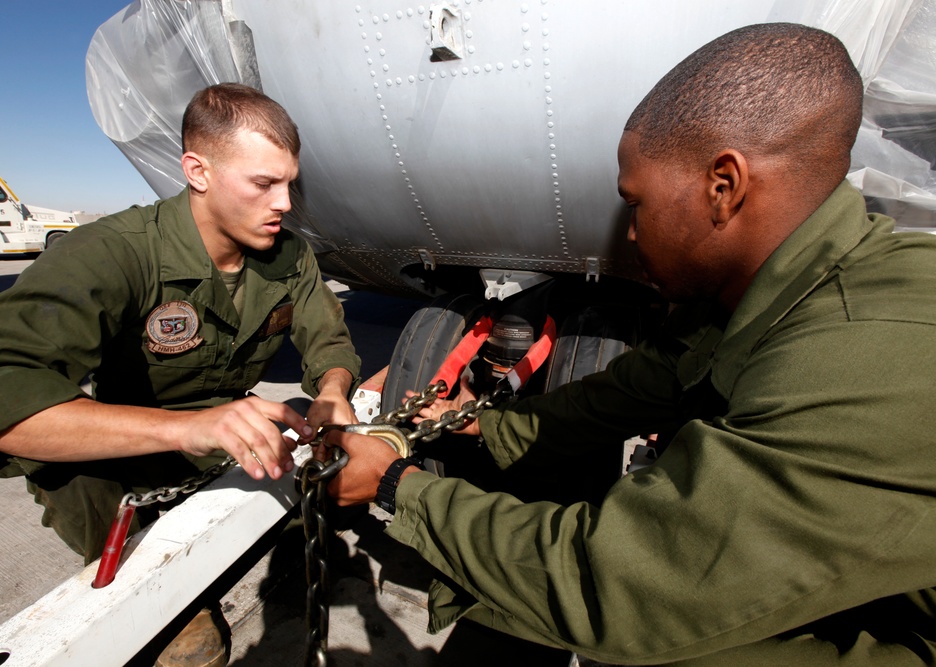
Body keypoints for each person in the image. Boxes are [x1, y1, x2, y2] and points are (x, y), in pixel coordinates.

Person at [322, 23, 936, 665]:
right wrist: (488, 426)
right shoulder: (779, 291)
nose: (632, 235)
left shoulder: (857, 354)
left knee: (668, 646)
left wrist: (397, 487)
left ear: (723, 187)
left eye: (634, 204)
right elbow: (643, 384)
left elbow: (628, 580)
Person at [0, 83, 361, 667]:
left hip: (225, 430)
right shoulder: (114, 252)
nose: (285, 203)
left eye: (289, 183)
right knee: (71, 475)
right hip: (127, 446)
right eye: (263, 184)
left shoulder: (289, 256)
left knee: (328, 471)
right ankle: (167, 601)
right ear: (198, 170)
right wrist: (183, 429)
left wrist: (333, 391)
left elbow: (327, 337)